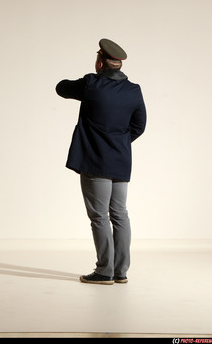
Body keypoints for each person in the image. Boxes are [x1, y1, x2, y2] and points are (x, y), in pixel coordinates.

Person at [56, 38, 147, 285]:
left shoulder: (91, 84)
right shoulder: (134, 90)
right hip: (120, 161)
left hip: (95, 160)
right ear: (119, 65)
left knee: (99, 216)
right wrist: (119, 142)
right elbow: (139, 126)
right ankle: (121, 271)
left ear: (100, 62)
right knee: (119, 214)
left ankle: (104, 271)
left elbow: (61, 88)